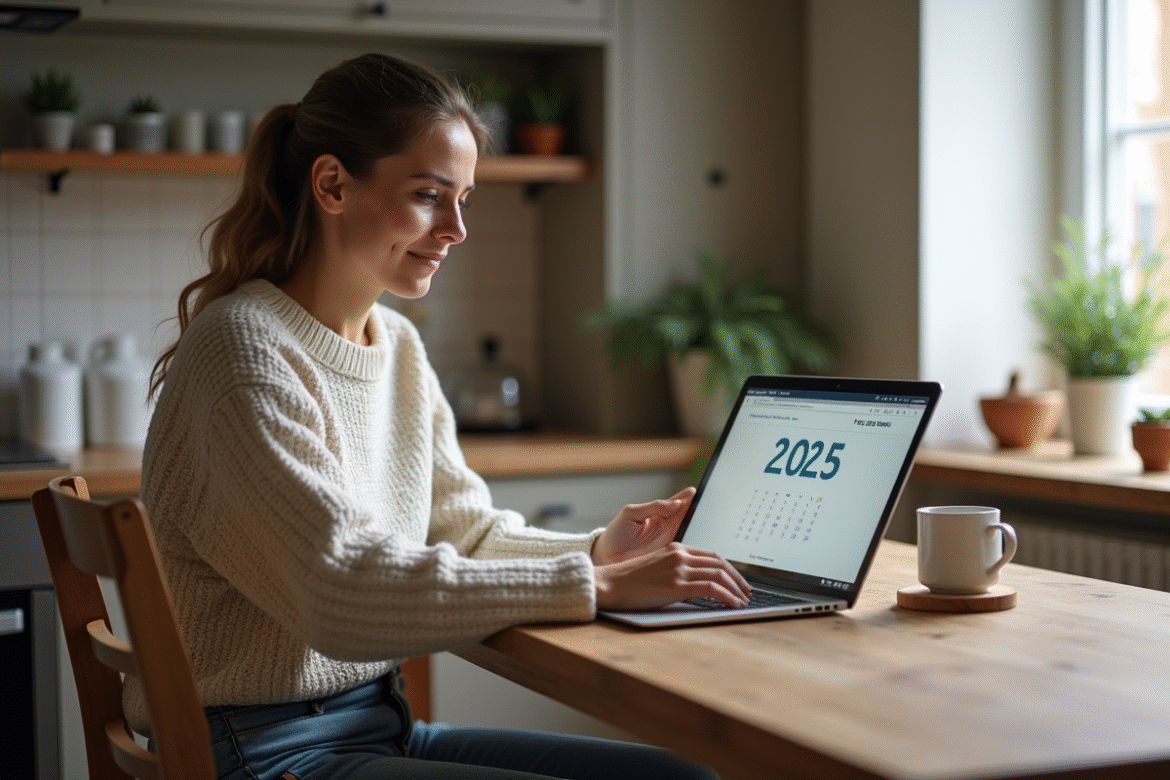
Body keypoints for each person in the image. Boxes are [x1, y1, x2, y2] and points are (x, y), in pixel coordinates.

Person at [141, 52, 750, 780]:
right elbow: (339, 591)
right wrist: (594, 589)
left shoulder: (395, 344)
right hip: (261, 752)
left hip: (374, 727)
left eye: (464, 198)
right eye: (430, 195)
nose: (456, 227)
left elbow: (464, 532)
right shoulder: (244, 352)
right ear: (332, 184)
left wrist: (595, 554)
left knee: (678, 779)